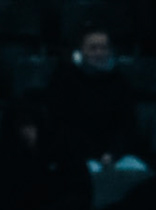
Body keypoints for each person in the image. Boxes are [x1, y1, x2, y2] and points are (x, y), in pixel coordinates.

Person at [45, 26, 145, 173]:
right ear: (81, 51)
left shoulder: (120, 83)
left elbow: (127, 125)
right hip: (78, 155)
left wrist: (112, 154)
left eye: (104, 48)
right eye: (93, 48)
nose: (99, 53)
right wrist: (92, 154)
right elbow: (63, 126)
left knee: (138, 170)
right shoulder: (65, 81)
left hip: (114, 156)